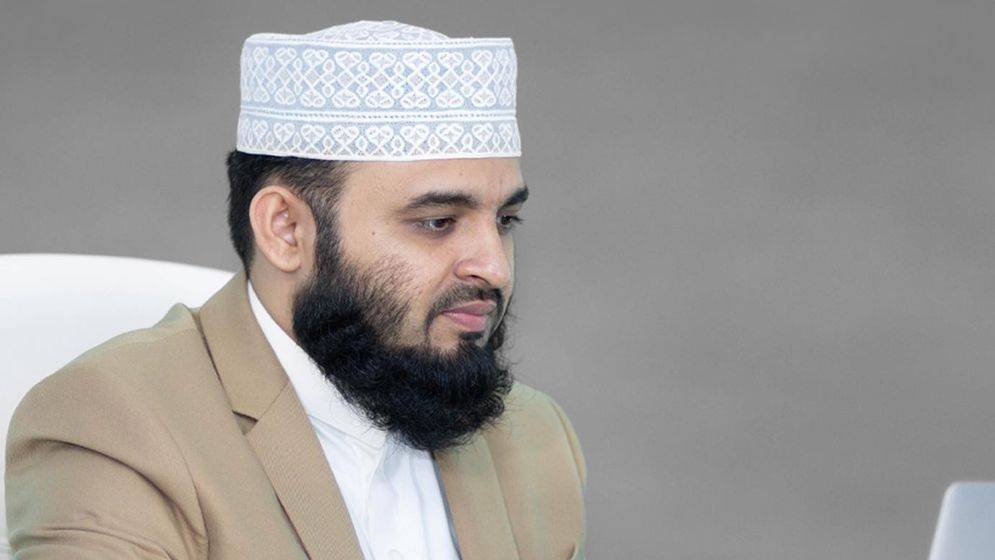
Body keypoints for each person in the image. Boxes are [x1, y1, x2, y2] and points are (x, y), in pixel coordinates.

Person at [4, 19, 586, 560]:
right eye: (437, 221)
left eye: (505, 221)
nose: (495, 267)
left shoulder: (533, 439)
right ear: (285, 230)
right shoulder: (116, 429)